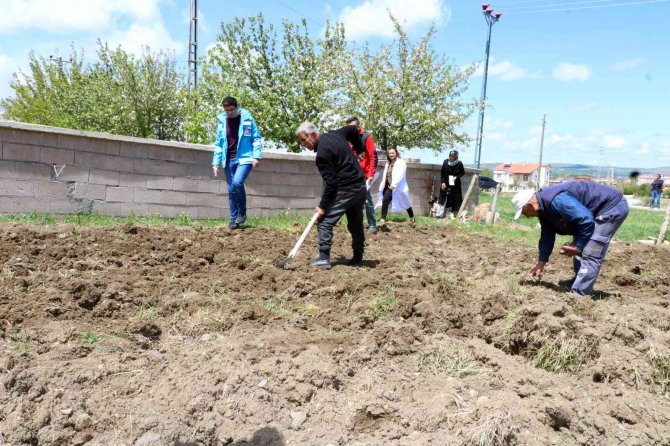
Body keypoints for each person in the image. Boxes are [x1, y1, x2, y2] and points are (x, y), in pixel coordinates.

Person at [512, 181, 629, 296]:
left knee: (591, 251)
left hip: (611, 207)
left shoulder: (556, 200)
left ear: (530, 205)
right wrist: (540, 264)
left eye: (523, 212)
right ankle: (578, 281)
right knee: (580, 246)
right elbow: (547, 236)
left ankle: (578, 296)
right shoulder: (544, 210)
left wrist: (578, 246)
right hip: (589, 214)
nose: (526, 216)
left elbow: (586, 220)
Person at [295, 122, 366, 270]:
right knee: (355, 223)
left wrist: (322, 206)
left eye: (303, 140)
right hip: (360, 185)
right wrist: (359, 150)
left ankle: (323, 258)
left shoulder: (322, 154)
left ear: (313, 134)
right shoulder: (336, 134)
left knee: (325, 222)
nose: (302, 144)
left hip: (345, 188)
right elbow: (353, 129)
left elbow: (331, 184)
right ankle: (358, 257)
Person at [212, 96, 262, 230]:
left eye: (231, 109)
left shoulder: (247, 119)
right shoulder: (222, 121)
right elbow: (219, 143)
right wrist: (215, 162)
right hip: (228, 159)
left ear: (237, 107)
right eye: (226, 110)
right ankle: (234, 219)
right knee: (231, 190)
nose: (229, 112)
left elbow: (256, 138)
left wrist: (256, 156)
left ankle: (242, 212)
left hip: (245, 158)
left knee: (237, 182)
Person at [345, 117, 379, 234]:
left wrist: (370, 175)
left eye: (352, 127)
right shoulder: (347, 139)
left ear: (358, 127)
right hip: (350, 175)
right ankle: (355, 223)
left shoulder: (366, 137)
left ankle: (373, 223)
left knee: (366, 200)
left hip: (363, 175)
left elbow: (373, 156)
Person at [377, 147, 414, 225]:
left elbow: (400, 175)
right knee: (385, 201)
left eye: (392, 153)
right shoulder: (388, 163)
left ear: (396, 153)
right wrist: (384, 184)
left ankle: (412, 217)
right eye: (389, 153)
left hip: (398, 187)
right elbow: (385, 175)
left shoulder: (401, 162)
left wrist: (394, 185)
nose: (391, 154)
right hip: (389, 186)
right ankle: (383, 218)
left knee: (406, 202)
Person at [435, 150, 465, 218]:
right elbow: (442, 173)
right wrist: (442, 182)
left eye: (453, 156)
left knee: (455, 198)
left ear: (456, 157)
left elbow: (462, 172)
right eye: (450, 156)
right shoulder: (445, 162)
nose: (451, 157)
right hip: (445, 182)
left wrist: (456, 177)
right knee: (442, 197)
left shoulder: (459, 163)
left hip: (455, 183)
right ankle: (438, 215)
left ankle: (454, 213)